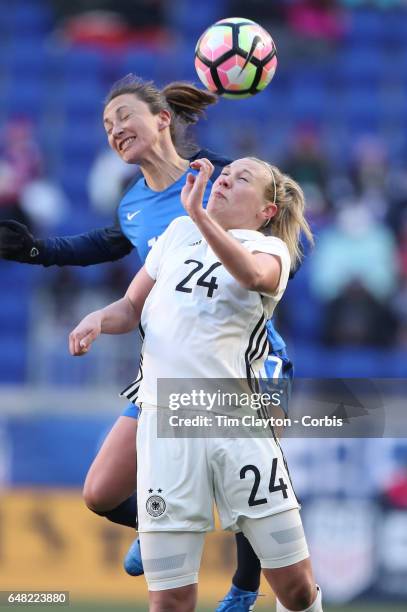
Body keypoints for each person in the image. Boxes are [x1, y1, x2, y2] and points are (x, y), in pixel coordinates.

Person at [0, 75, 293, 612]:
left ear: (161, 120)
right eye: (107, 125)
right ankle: (166, 527)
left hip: (246, 361)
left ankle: (245, 590)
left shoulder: (218, 176)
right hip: (166, 369)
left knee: (251, 493)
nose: (115, 130)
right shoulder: (135, 203)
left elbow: (275, 238)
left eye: (124, 117)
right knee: (101, 493)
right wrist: (37, 250)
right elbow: (101, 245)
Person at [69, 156, 320, 612]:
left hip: (238, 428)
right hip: (165, 427)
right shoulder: (178, 234)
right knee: (169, 602)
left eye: (241, 178)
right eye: (224, 174)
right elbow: (129, 306)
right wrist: (99, 319)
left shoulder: (269, 249)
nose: (224, 178)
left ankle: (249, 584)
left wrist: (201, 217)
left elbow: (251, 275)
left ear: (267, 211)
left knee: (298, 590)